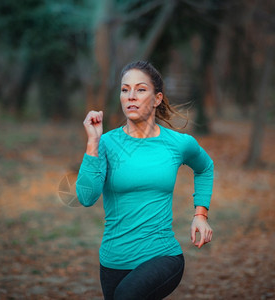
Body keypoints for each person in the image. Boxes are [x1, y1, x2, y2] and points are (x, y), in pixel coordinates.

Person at [76, 61, 214, 300]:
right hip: (113, 261)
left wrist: (200, 215)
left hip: (161, 256)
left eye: (140, 89)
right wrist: (92, 143)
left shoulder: (178, 143)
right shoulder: (106, 144)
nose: (131, 96)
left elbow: (205, 168)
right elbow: (87, 197)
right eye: (124, 89)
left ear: (157, 98)